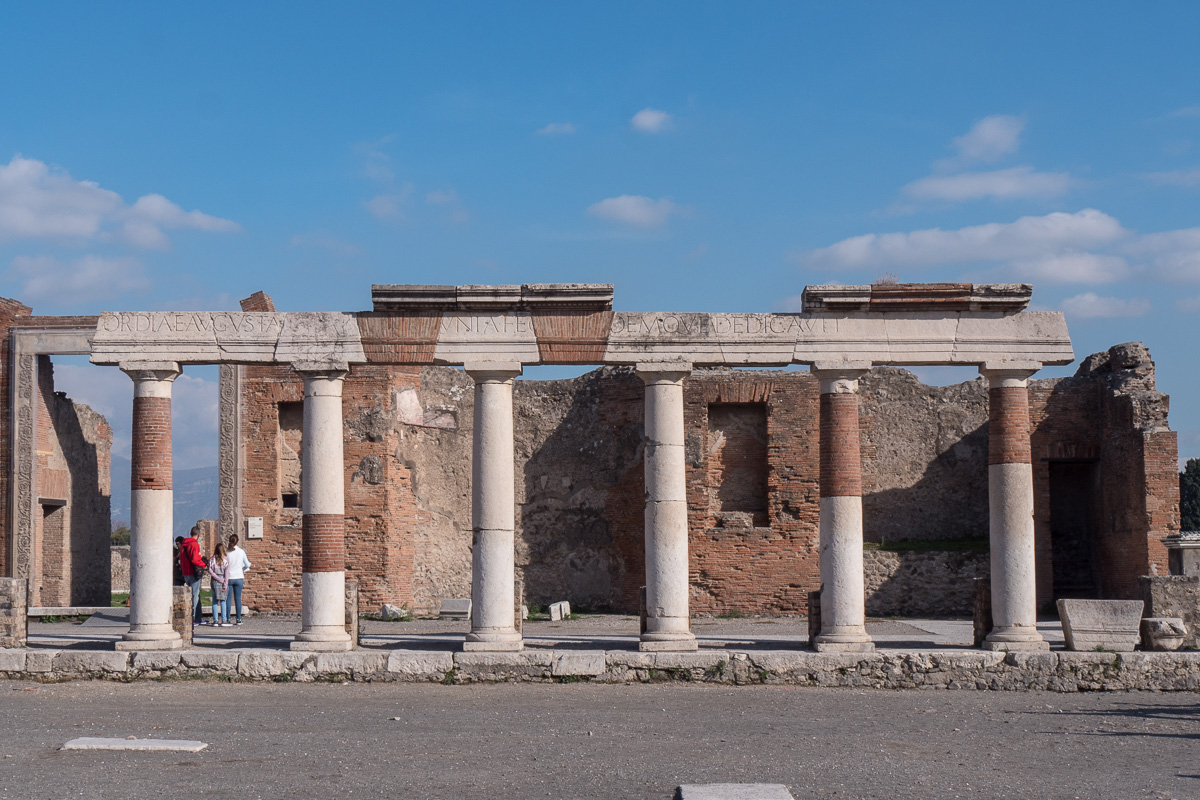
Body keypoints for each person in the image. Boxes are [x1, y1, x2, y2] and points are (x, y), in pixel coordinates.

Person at [179, 527, 207, 626]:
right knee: (194, 596)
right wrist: (203, 564)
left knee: (196, 595)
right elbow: (195, 560)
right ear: (198, 535)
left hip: (186, 572)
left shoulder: (184, 545)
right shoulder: (194, 545)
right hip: (193, 573)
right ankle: (193, 618)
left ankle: (198, 618)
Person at [225, 534, 251, 625]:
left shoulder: (227, 552)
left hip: (229, 577)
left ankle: (227, 618)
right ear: (237, 541)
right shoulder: (241, 551)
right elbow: (247, 565)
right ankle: (238, 619)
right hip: (239, 577)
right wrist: (242, 569)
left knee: (228, 599)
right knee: (238, 599)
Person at [208, 543, 230, 627]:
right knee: (223, 601)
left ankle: (215, 620)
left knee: (214, 601)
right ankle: (224, 620)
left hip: (214, 580)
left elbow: (210, 571)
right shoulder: (226, 560)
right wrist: (225, 583)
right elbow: (227, 573)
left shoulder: (212, 560)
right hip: (223, 579)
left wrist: (217, 578)